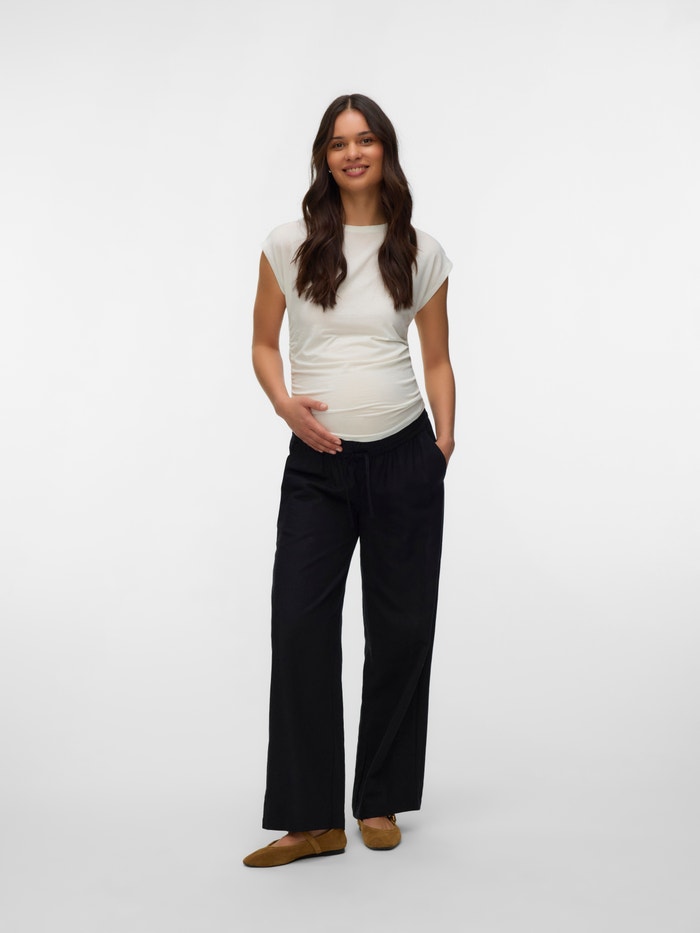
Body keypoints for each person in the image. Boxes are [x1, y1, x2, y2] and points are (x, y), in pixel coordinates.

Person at [243, 93, 455, 868]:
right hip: (318, 465)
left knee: (402, 629)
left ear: (385, 151)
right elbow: (263, 343)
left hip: (406, 455)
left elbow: (438, 358)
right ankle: (312, 820)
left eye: (366, 140)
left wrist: (443, 441)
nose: (353, 152)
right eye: (339, 142)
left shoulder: (419, 250)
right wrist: (284, 403)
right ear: (324, 157)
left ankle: (379, 800)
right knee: (299, 626)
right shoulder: (289, 243)